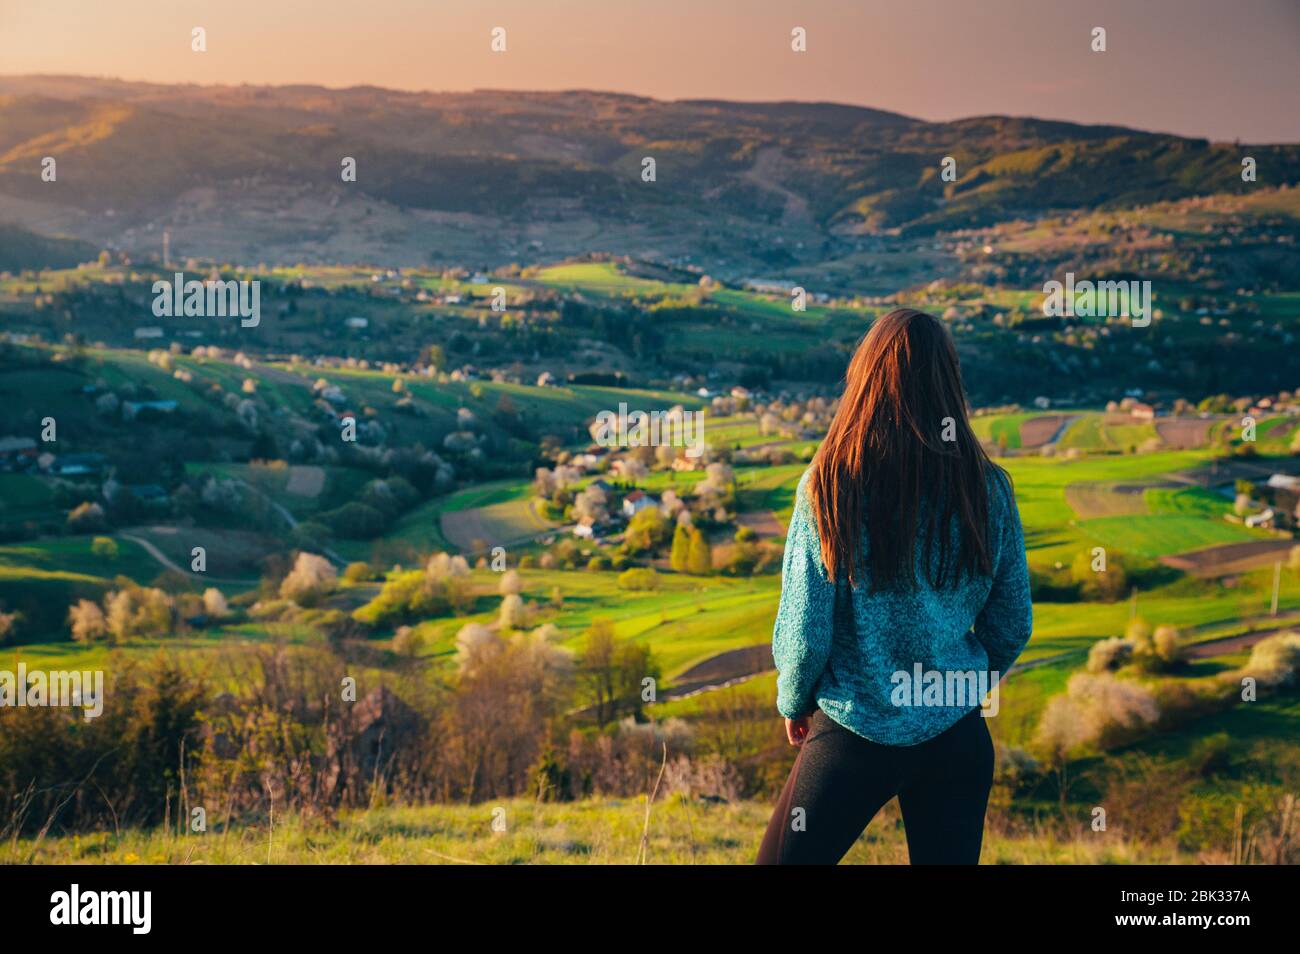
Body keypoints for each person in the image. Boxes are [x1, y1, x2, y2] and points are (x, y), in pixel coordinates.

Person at [756, 308, 1032, 865]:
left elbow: (806, 629)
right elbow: (1012, 624)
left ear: (865, 378)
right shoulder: (988, 489)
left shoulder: (830, 483)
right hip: (956, 734)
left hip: (856, 724)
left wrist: (794, 699)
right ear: (949, 382)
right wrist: (961, 687)